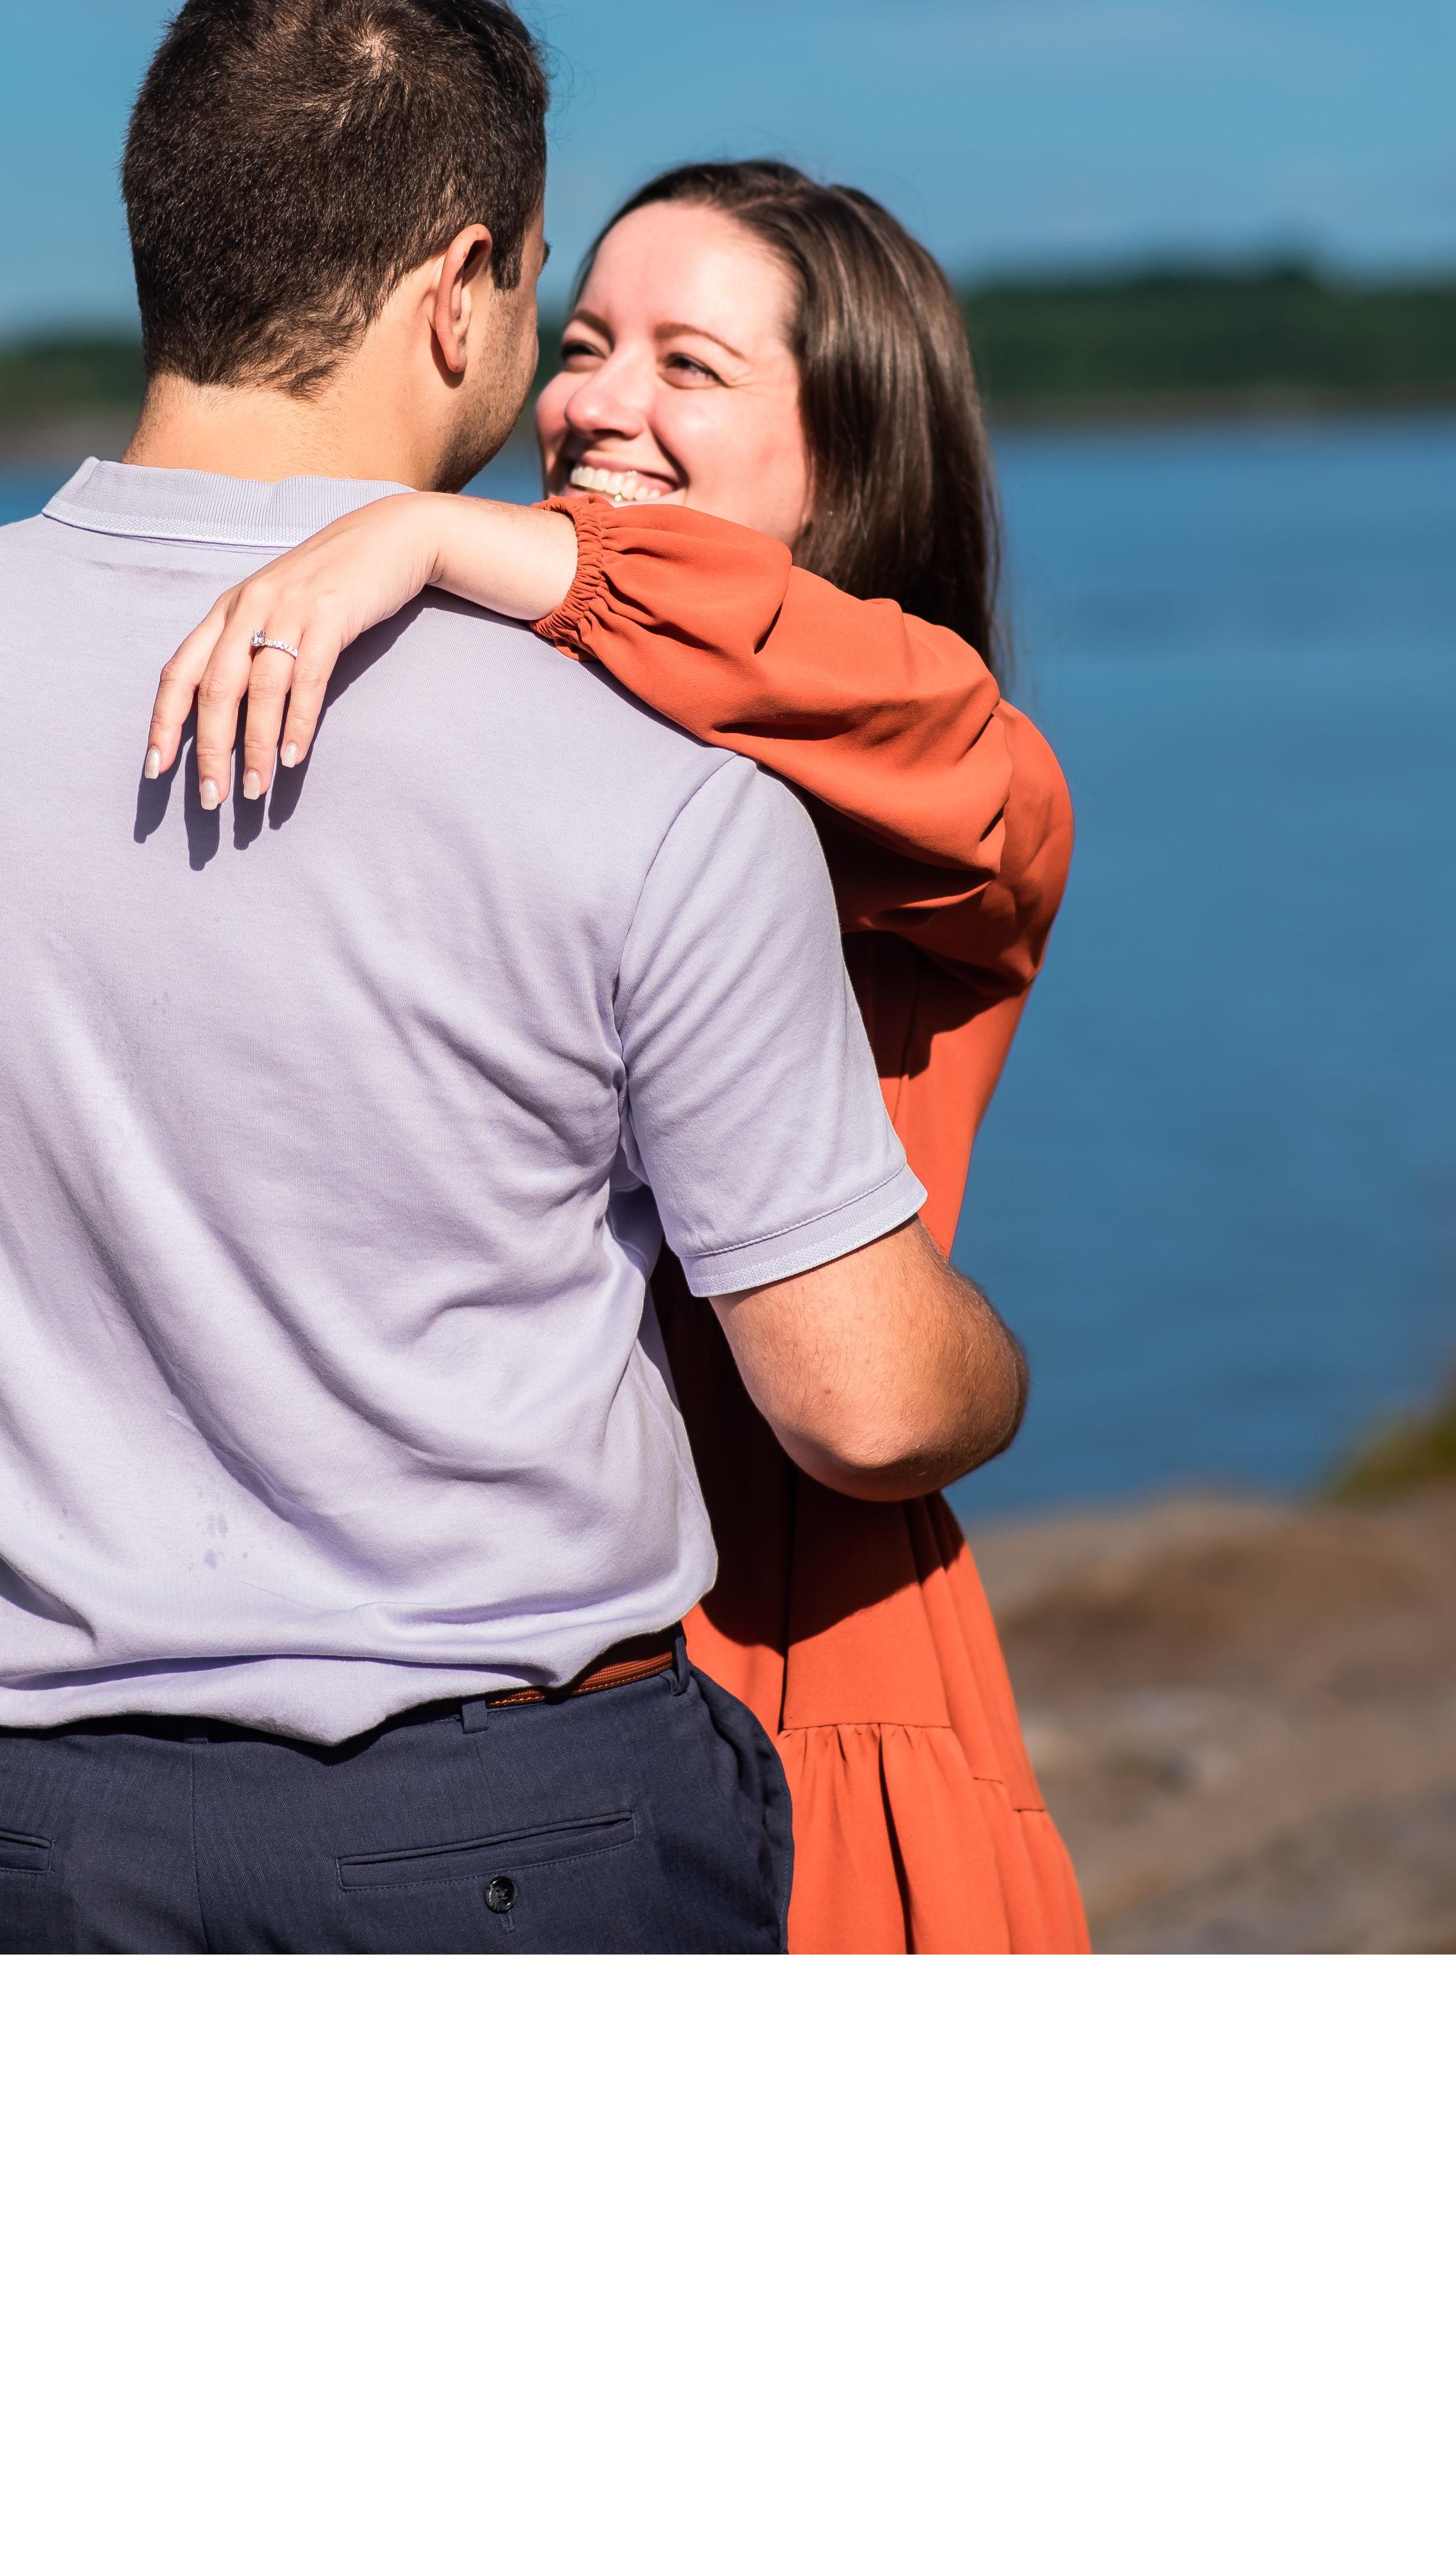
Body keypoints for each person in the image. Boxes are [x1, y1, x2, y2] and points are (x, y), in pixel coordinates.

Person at [0, 0, 1029, 1952]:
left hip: (24, 1835)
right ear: (459, 287)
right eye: (555, 300)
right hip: (520, 1829)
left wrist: (91, 1427)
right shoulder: (648, 774)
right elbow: (874, 1404)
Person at [147, 157, 1090, 1953]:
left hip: (804, 1639)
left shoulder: (966, 775)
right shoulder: (488, 726)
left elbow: (885, 703)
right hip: (473, 1655)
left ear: (853, 453)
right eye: (583, 345)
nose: (597, 402)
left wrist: (436, 533)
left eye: (690, 365)